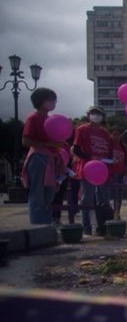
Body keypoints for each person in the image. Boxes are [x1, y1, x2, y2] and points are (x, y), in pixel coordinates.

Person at [20, 87, 65, 225]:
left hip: (50, 159)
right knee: (37, 193)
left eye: (54, 100)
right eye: (50, 100)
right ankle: (38, 225)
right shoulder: (33, 118)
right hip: (38, 157)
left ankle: (46, 223)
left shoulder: (50, 119)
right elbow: (26, 141)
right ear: (40, 101)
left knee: (49, 193)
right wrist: (48, 144)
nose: (53, 103)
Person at [72, 106, 113, 236]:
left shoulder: (105, 133)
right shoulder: (82, 129)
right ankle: (86, 226)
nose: (96, 116)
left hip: (102, 168)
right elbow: (76, 149)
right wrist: (90, 158)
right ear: (88, 115)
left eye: (99, 114)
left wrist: (110, 159)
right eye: (93, 113)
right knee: (87, 199)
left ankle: (102, 225)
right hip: (88, 167)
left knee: (104, 198)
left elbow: (109, 150)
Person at [108, 125, 127, 220]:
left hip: (121, 174)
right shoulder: (108, 146)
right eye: (114, 134)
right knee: (109, 196)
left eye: (118, 134)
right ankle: (109, 214)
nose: (116, 136)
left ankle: (117, 214)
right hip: (110, 174)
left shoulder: (123, 146)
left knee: (119, 197)